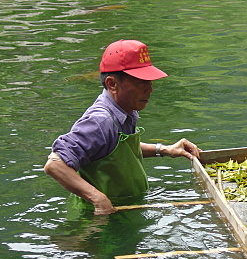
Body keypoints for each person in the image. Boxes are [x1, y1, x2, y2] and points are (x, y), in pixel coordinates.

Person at [44, 39, 200, 215]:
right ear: (112, 84)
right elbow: (55, 164)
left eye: (150, 82)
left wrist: (163, 149)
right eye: (141, 82)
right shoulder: (100, 121)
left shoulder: (125, 110)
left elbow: (116, 148)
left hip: (123, 211)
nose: (149, 90)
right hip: (98, 219)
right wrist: (98, 199)